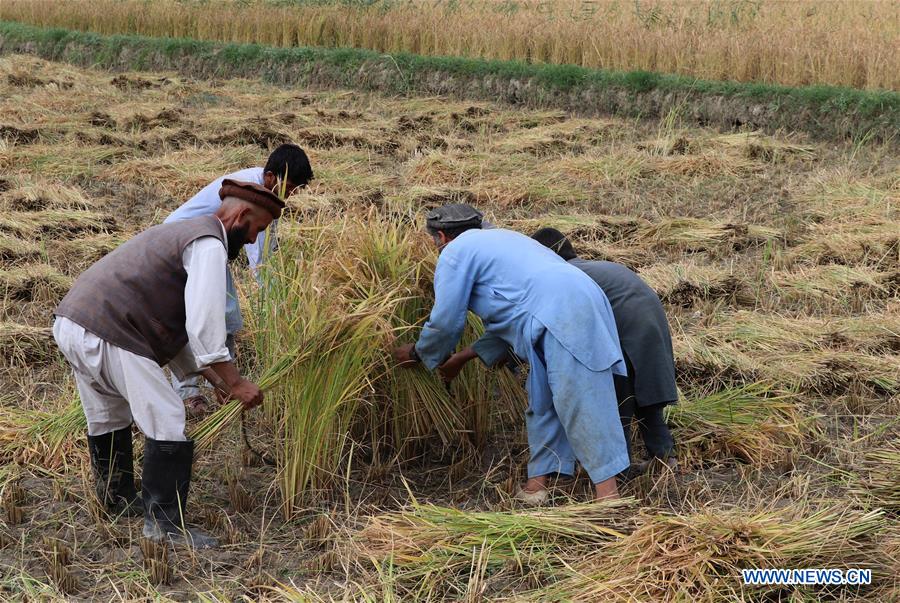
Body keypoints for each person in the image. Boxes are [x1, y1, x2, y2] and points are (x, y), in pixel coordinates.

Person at [53, 180, 283, 549]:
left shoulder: (182, 231)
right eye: (258, 229)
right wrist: (235, 381)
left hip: (75, 322)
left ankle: (117, 500)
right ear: (241, 215)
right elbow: (204, 325)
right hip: (116, 329)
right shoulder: (208, 244)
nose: (254, 240)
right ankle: (164, 527)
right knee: (167, 419)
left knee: (109, 415)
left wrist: (214, 380)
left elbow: (173, 332)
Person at [392, 204, 630, 504]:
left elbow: (446, 321)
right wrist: (459, 360)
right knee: (542, 399)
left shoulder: (456, 251)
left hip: (562, 308)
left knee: (581, 395)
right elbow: (508, 321)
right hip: (567, 302)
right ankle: (536, 487)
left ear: (441, 236)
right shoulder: (503, 239)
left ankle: (608, 497)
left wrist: (419, 352)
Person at [164, 144, 313, 416]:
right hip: (186, 245)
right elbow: (261, 261)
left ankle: (223, 386)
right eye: (289, 187)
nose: (291, 196)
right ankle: (190, 394)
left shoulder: (264, 190)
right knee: (196, 318)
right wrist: (278, 308)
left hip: (210, 246)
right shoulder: (252, 195)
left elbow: (266, 246)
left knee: (228, 317)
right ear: (270, 177)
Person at [531, 228, 677, 473]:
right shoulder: (599, 267)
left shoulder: (568, 276)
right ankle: (665, 459)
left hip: (628, 332)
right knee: (647, 399)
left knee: (619, 403)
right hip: (652, 330)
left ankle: (621, 470)